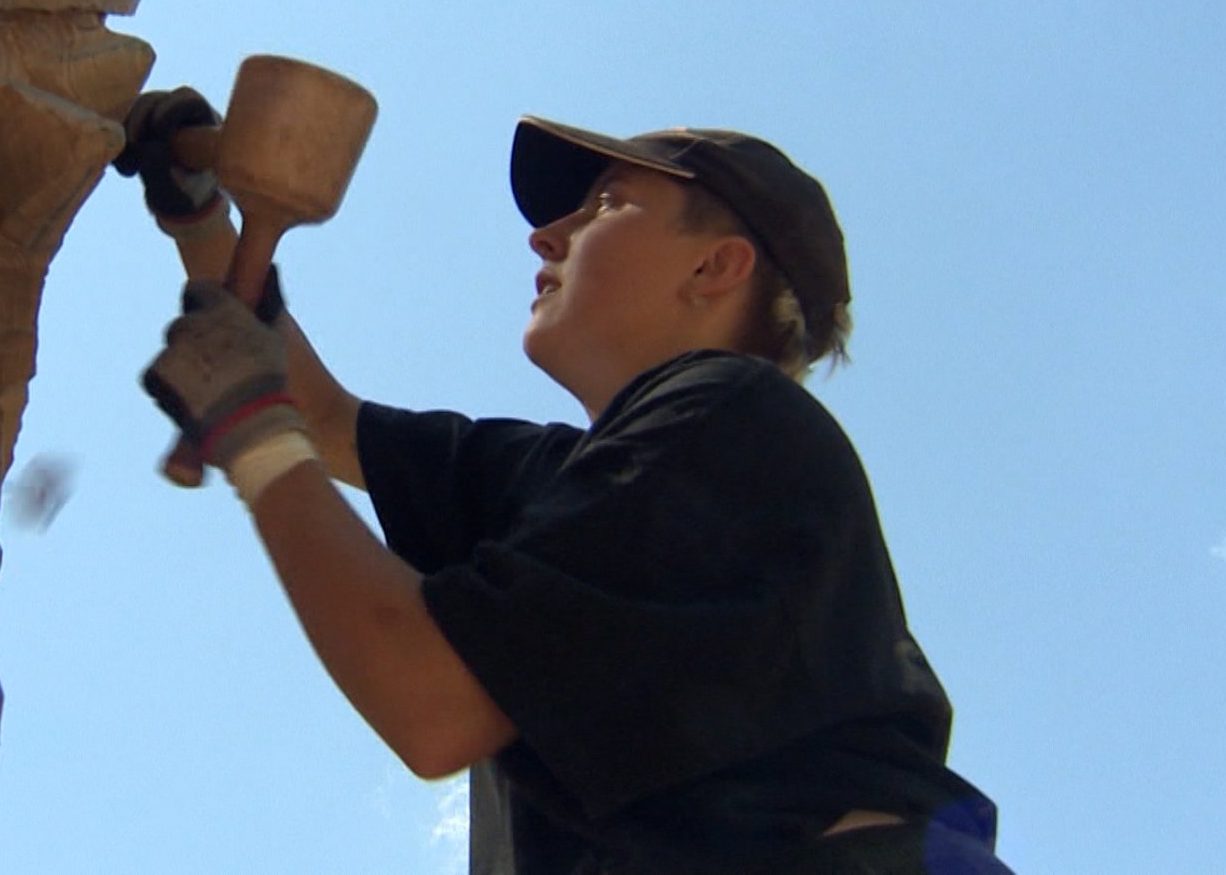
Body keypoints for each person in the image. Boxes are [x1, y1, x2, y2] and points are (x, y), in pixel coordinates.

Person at [117, 88, 1013, 875]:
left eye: (609, 205)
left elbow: (431, 705)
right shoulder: (587, 481)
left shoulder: (732, 424)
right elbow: (314, 414)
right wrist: (200, 215)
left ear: (714, 266)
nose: (546, 234)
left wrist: (253, 437)